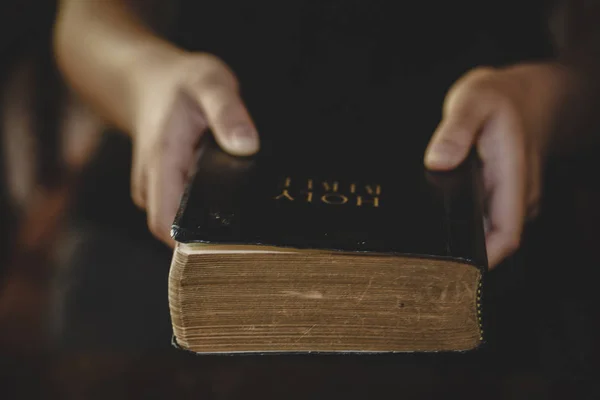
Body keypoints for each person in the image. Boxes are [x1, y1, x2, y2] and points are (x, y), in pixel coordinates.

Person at [53, 0, 600, 270]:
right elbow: (83, 16)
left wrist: (548, 101)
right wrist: (143, 78)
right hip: (169, 227)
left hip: (477, 230)